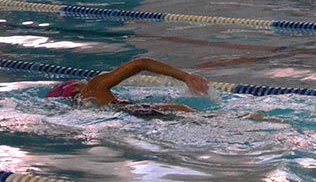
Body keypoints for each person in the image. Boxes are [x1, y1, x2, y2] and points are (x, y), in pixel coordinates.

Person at [46, 57, 209, 117]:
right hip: (129, 111)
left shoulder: (81, 107)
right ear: (75, 88)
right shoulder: (93, 87)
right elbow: (140, 63)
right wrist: (185, 77)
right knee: (180, 108)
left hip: (123, 116)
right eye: (79, 82)